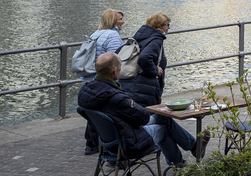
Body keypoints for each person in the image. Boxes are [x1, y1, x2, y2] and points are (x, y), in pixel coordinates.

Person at [79, 52, 209, 166]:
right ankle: (180, 163)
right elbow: (143, 117)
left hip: (107, 140)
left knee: (164, 116)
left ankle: (192, 149)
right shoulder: (115, 97)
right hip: (127, 142)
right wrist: (133, 104)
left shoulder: (86, 91)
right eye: (120, 68)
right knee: (163, 129)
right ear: (114, 71)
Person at [81, 8, 127, 153]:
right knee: (107, 110)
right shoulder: (112, 36)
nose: (123, 22)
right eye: (120, 19)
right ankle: (104, 143)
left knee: (94, 111)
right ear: (112, 21)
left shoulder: (96, 34)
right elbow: (115, 59)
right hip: (104, 79)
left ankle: (91, 143)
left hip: (91, 76)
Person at [121, 13, 172, 108]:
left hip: (129, 84)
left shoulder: (140, 36)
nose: (169, 27)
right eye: (167, 25)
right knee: (149, 117)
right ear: (160, 26)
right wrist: (155, 70)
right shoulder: (156, 39)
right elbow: (144, 58)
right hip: (144, 88)